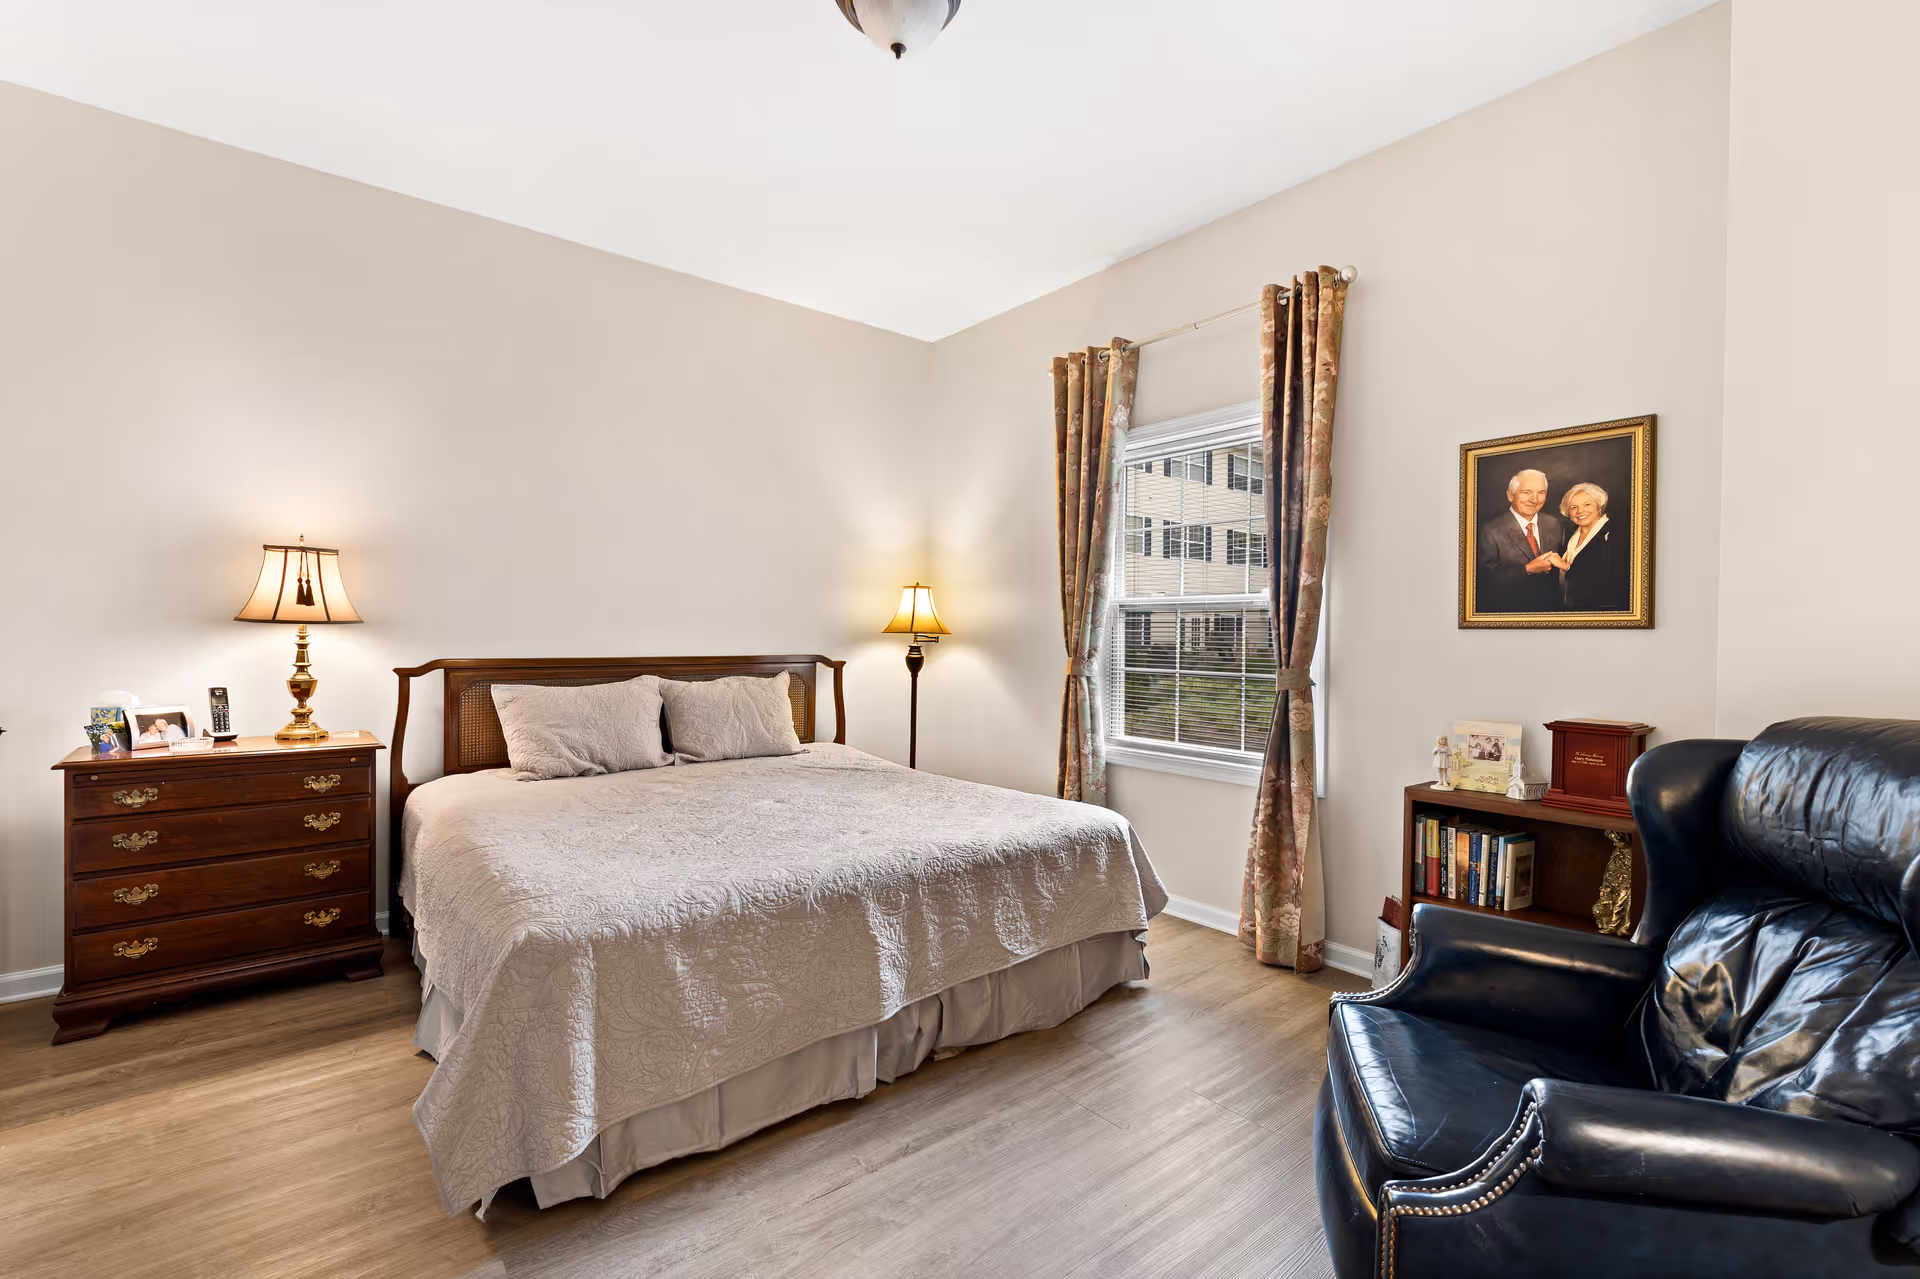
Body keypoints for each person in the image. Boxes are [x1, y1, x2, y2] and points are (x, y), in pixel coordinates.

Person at [1475, 469, 1564, 613]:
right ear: (1510, 495)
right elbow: (1484, 580)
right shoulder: (1491, 530)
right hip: (1511, 613)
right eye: (1527, 492)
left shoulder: (1553, 524)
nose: (1534, 499)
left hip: (1551, 612)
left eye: (1541, 492)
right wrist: (1527, 570)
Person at [1547, 481, 1629, 611]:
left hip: (1600, 611)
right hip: (1568, 609)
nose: (1580, 511)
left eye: (1587, 504)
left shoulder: (1616, 533)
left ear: (1598, 506)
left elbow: (1612, 577)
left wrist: (1564, 565)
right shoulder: (1568, 533)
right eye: (1573, 507)